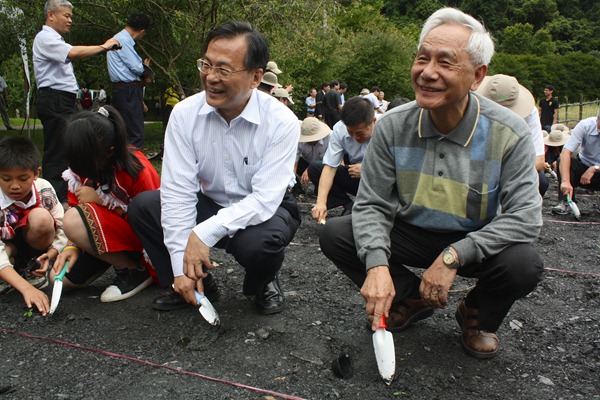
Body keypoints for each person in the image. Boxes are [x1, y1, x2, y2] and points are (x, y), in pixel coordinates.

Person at [319, 7, 543, 360]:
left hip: (473, 238)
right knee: (337, 234)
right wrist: (376, 265)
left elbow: (526, 217)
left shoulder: (508, 132)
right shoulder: (392, 126)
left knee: (523, 263)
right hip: (411, 231)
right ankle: (410, 296)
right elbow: (372, 203)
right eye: (422, 59)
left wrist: (454, 256)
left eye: (445, 62)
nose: (427, 72)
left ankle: (476, 313)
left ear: (477, 74)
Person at [128, 21, 301, 316]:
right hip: (208, 202)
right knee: (145, 205)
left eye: (223, 69)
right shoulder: (185, 115)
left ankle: (264, 282)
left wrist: (202, 234)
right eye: (206, 65)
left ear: (256, 77)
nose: (210, 77)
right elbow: (178, 192)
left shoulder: (281, 121)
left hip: (263, 210)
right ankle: (191, 284)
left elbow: (264, 200)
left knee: (261, 244)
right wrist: (179, 263)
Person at [52, 106, 160, 302]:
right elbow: (78, 203)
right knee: (58, 280)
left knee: (73, 220)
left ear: (109, 152)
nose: (76, 169)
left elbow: (154, 221)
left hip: (142, 241)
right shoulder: (84, 162)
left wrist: (101, 201)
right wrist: (71, 247)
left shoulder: (137, 170)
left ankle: (135, 271)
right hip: (103, 233)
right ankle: (117, 261)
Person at [33, 0, 121, 206]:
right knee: (58, 150)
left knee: (70, 146)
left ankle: (68, 194)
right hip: (54, 99)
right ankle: (55, 199)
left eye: (71, 16)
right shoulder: (45, 37)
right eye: (66, 15)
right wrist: (104, 47)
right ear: (51, 15)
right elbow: (73, 53)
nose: (70, 20)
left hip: (63, 100)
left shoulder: (55, 39)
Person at [0, 136, 67, 316]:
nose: (15, 186)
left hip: (34, 242)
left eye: (23, 179)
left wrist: (51, 255)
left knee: (41, 218)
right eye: (6, 179)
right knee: (4, 252)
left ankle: (33, 267)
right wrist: (26, 290)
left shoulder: (44, 188)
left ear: (36, 173)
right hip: (7, 246)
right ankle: (10, 271)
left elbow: (62, 227)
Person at [475, 74, 547, 195]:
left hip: (512, 164)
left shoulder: (530, 113)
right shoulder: (468, 105)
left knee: (542, 182)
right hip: (476, 161)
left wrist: (508, 175)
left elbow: (539, 160)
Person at [309, 96, 376, 220]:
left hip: (379, 182)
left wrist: (368, 169)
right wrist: (321, 202)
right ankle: (348, 205)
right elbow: (330, 168)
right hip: (355, 178)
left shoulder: (387, 128)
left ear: (374, 121)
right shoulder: (340, 129)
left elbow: (397, 168)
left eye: (360, 133)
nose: (356, 138)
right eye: (351, 132)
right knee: (315, 168)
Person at [107, 12, 152, 150]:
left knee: (123, 130)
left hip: (123, 90)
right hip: (128, 91)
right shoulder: (123, 41)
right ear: (142, 31)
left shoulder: (117, 39)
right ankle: (134, 167)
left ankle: (124, 165)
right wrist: (147, 70)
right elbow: (137, 67)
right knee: (135, 133)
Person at [551, 112, 600, 215]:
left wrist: (594, 168)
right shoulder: (585, 125)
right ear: (597, 120)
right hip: (582, 167)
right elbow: (566, 152)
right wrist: (565, 181)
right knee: (564, 162)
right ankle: (566, 201)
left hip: (597, 170)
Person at [291, 117, 331, 196]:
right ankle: (297, 189)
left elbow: (331, 161)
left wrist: (310, 168)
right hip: (307, 162)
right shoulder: (297, 139)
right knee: (289, 164)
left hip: (324, 166)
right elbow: (294, 163)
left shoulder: (330, 137)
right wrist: (291, 182)